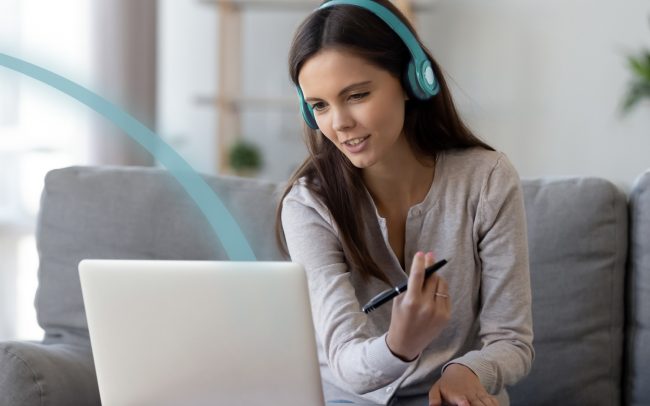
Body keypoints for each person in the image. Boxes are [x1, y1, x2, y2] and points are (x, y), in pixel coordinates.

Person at [274, 1, 534, 405]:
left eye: (357, 95)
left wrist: (468, 370)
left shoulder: (487, 180)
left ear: (414, 81)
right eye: (319, 106)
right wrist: (400, 342)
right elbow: (345, 362)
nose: (339, 123)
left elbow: (512, 340)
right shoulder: (309, 204)